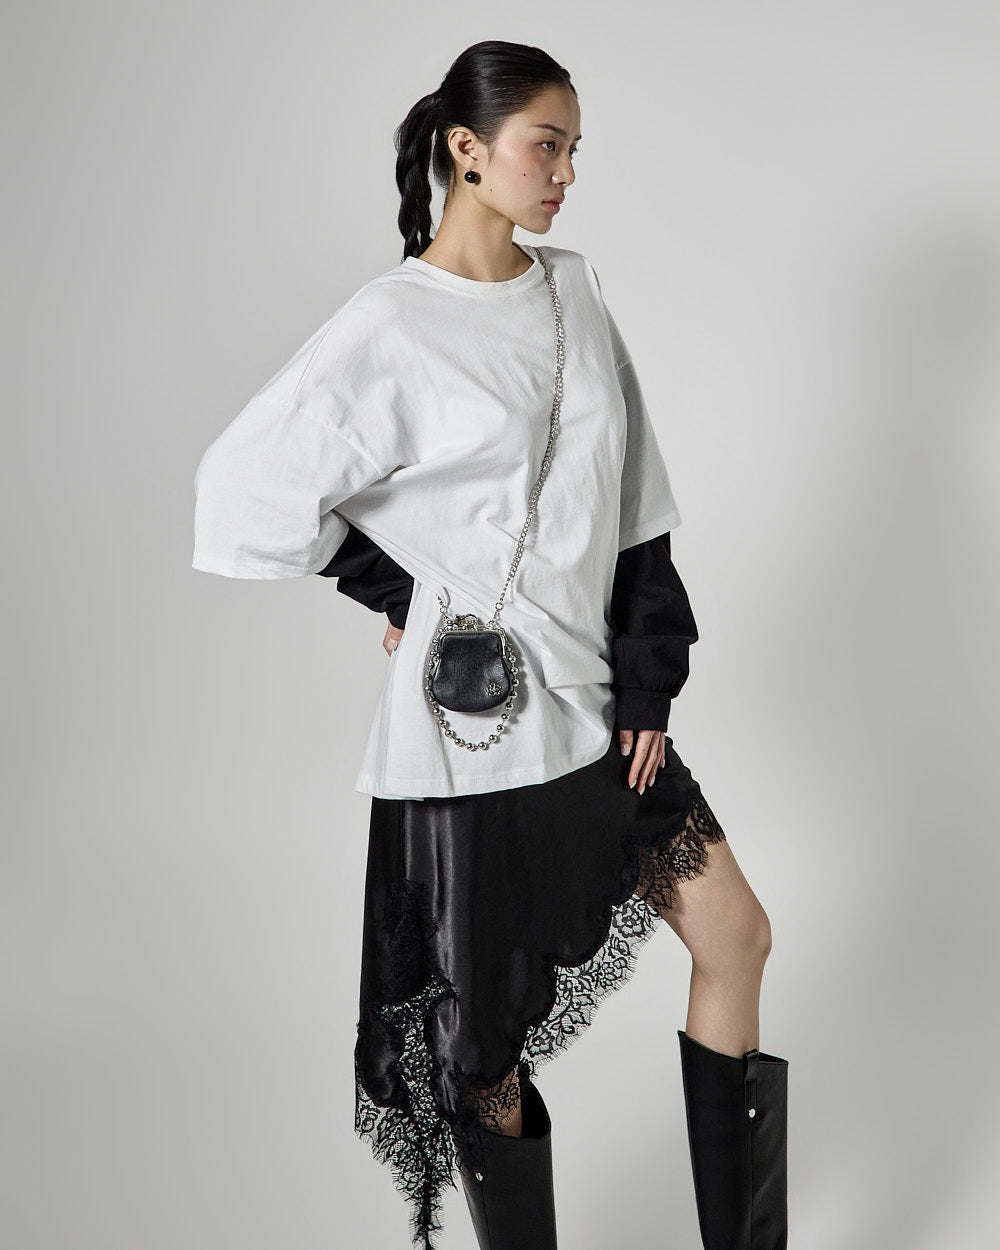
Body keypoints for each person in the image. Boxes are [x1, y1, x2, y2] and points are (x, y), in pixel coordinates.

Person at [190, 37, 788, 1250]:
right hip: (474, 742)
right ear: (466, 150)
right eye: (545, 146)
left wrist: (649, 684)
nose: (565, 174)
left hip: (598, 708)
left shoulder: (572, 289)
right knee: (485, 1052)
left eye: (573, 149)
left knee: (736, 934)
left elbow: (636, 507)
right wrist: (399, 584)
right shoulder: (388, 324)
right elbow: (241, 490)